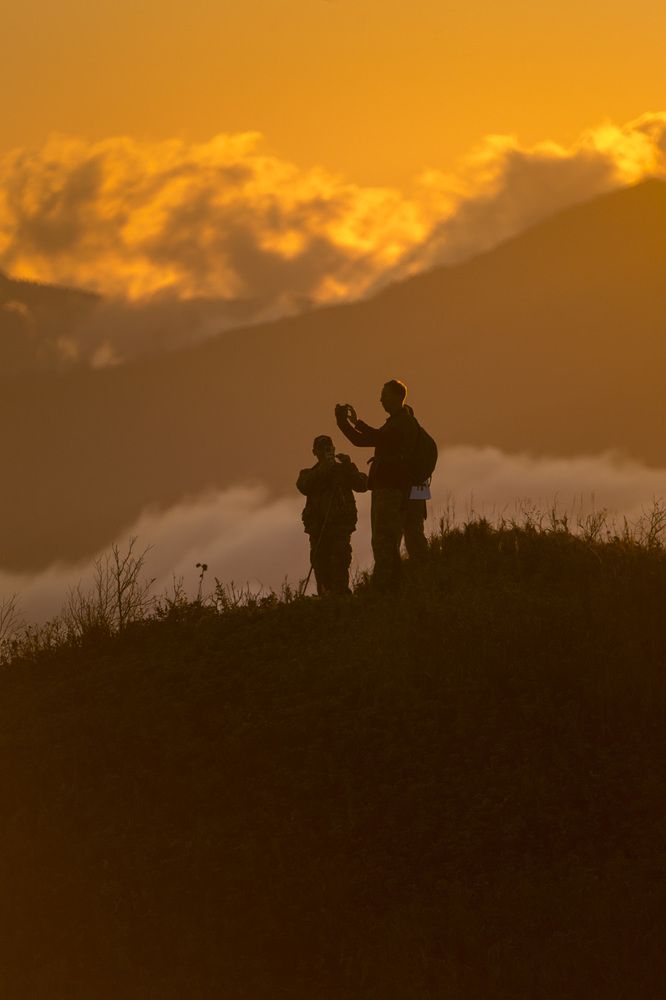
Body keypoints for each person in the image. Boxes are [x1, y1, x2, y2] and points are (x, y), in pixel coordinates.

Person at [335, 379, 423, 591]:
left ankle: (388, 589)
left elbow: (373, 438)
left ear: (395, 396)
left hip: (392, 490)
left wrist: (346, 422)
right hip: (412, 490)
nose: (380, 399)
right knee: (408, 536)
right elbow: (372, 438)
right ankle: (411, 582)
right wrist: (350, 423)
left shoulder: (401, 423)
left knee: (385, 539)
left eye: (384, 395)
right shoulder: (404, 424)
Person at [296, 435, 368, 596]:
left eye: (329, 448)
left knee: (340, 562)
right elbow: (303, 486)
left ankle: (341, 598)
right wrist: (324, 467)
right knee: (320, 565)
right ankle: (326, 600)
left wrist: (349, 466)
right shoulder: (308, 473)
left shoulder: (343, 470)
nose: (326, 451)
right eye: (322, 449)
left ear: (333, 449)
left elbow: (363, 485)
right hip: (318, 528)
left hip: (339, 526)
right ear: (315, 452)